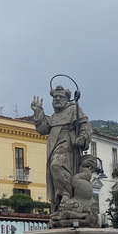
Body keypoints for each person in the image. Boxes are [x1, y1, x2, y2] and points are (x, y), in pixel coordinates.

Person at [32, 84, 93, 218]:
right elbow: (43, 130)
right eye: (55, 97)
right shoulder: (54, 116)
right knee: (54, 171)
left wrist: (82, 137)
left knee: (57, 165)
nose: (57, 99)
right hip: (53, 146)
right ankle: (60, 198)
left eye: (60, 96)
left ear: (67, 98)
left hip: (68, 145)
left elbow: (86, 125)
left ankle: (67, 194)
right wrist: (38, 112)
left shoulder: (74, 109)